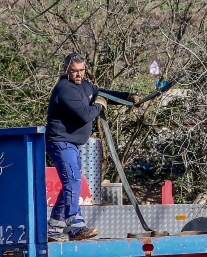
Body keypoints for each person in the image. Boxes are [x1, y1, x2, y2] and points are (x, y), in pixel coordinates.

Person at [46, 54, 138, 242]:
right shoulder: (64, 90)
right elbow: (85, 114)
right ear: (66, 70)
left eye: (81, 70)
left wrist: (127, 97)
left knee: (70, 185)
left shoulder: (86, 86)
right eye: (75, 71)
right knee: (73, 181)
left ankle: (53, 228)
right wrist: (98, 105)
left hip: (73, 144)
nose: (79, 74)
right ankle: (76, 226)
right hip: (60, 142)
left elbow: (103, 94)